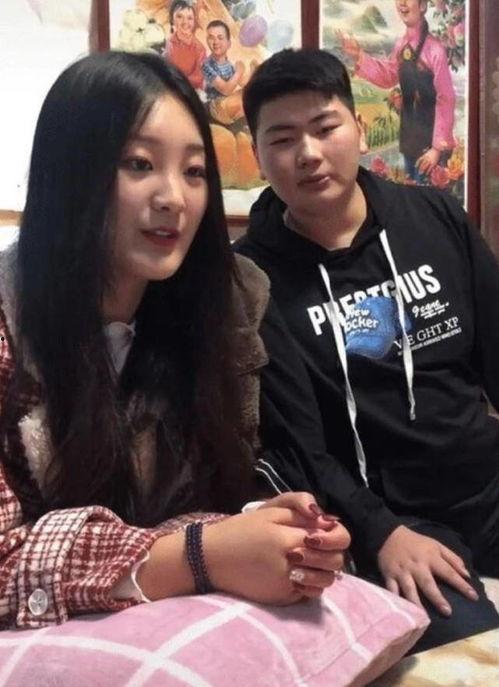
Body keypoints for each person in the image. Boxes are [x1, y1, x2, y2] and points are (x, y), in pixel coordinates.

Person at [0, 50, 351, 629]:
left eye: (193, 171)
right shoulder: (11, 326)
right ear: (70, 172)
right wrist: (199, 554)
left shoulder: (215, 312)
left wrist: (263, 528)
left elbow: (199, 501)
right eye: (139, 164)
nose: (174, 198)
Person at [235, 47, 499, 651]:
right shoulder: (252, 279)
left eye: (325, 127)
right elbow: (299, 445)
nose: (308, 153)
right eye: (283, 139)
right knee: (469, 651)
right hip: (392, 516)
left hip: (487, 480)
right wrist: (381, 533)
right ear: (258, 155)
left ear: (358, 126)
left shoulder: (434, 216)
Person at [340, 0, 455, 182]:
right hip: (409, 139)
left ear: (423, 6)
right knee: (409, 189)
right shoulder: (401, 45)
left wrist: (436, 149)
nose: (402, 3)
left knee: (427, 194)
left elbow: (446, 97)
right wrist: (358, 56)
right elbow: (388, 76)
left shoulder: (435, 49)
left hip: (432, 145)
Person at [202, 20, 245, 125]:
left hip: (225, 112)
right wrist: (239, 72)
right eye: (211, 38)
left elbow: (242, 82)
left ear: (229, 43)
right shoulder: (206, 65)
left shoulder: (230, 66)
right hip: (210, 110)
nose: (215, 42)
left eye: (220, 38)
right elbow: (226, 90)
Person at [163, 0, 206, 90]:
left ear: (194, 21)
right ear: (172, 19)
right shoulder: (169, 41)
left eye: (189, 18)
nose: (185, 22)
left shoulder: (199, 49)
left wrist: (176, 80)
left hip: (188, 91)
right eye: (179, 16)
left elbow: (198, 78)